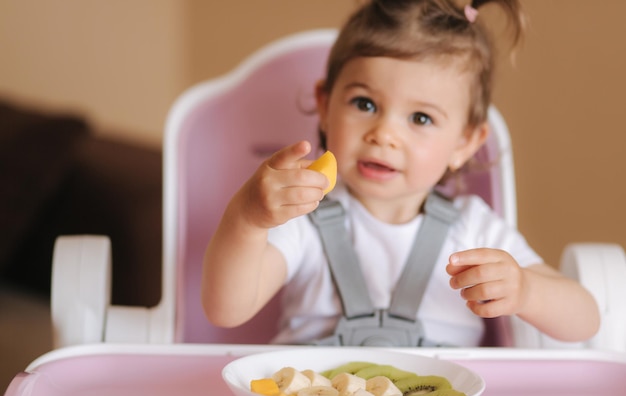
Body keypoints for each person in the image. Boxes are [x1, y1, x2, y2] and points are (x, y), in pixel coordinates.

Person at [202, 0, 600, 346]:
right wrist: (248, 218)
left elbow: (586, 320)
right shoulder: (304, 217)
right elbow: (226, 309)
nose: (384, 135)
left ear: (465, 142)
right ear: (325, 105)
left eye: (421, 117)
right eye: (365, 104)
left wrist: (526, 291)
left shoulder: (473, 228)